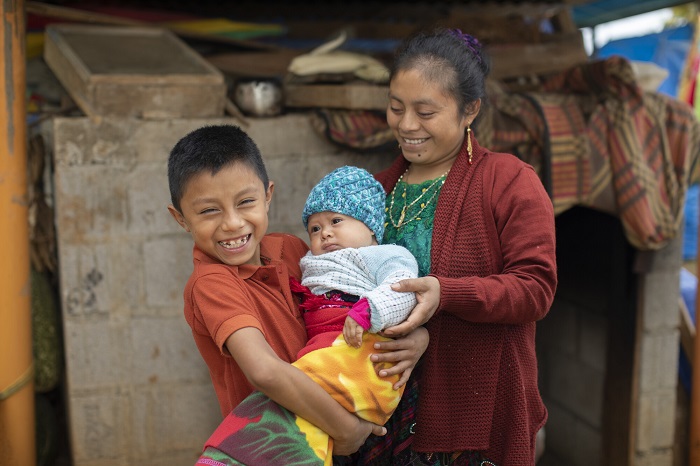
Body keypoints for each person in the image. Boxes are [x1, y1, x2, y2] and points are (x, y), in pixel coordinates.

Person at [166, 126, 429, 463]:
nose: (232, 224)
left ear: (268, 196)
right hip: (279, 445)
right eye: (208, 211)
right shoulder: (211, 284)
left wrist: (418, 336)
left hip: (331, 430)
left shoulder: (291, 250)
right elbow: (265, 371)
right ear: (181, 219)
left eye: (245, 202)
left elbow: (346, 300)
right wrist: (344, 429)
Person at [369, 28, 558, 466]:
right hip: (383, 414)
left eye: (426, 111)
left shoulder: (509, 181)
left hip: (472, 418)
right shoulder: (376, 190)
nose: (406, 124)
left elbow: (535, 288)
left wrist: (444, 297)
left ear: (470, 110)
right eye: (396, 107)